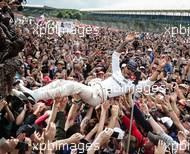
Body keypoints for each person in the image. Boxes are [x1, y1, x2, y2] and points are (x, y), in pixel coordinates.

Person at [19, 34, 166, 106]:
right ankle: (31, 93)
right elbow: (116, 54)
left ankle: (36, 97)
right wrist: (125, 42)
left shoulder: (131, 85)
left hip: (98, 97)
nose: (128, 71)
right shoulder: (117, 72)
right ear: (125, 66)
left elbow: (149, 82)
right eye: (128, 68)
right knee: (59, 81)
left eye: (131, 71)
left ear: (133, 74)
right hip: (93, 88)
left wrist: (159, 69)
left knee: (72, 85)